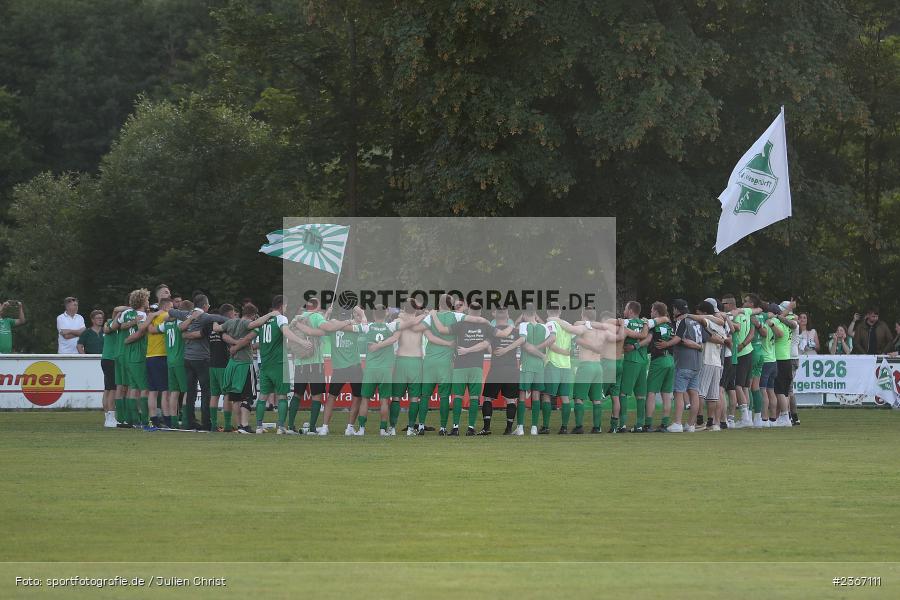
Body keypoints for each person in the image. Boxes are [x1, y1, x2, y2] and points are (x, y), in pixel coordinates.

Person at [246, 296, 310, 435]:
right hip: (279, 363)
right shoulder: (281, 318)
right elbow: (286, 332)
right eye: (286, 306)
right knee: (282, 396)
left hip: (265, 363)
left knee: (262, 396)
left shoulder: (264, 321)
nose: (286, 308)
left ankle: (258, 427)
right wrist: (301, 341)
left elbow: (250, 329)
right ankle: (281, 427)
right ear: (281, 305)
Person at [167, 294, 229, 430]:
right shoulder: (205, 316)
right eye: (208, 305)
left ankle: (188, 422)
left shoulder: (186, 314)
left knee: (190, 391)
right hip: (202, 359)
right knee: (206, 392)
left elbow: (171, 311)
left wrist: (173, 316)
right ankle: (206, 423)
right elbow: (223, 319)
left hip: (187, 358)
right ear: (205, 306)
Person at [447, 302, 492, 436]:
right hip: (477, 366)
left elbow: (447, 334)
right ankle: (471, 428)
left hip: (460, 365)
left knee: (458, 397)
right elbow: (486, 345)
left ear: (468, 311)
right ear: (480, 312)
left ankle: (455, 428)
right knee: (474, 397)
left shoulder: (460, 324)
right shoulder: (486, 326)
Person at [359, 304, 401, 436]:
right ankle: (382, 430)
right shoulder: (391, 327)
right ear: (386, 314)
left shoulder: (367, 328)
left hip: (371, 368)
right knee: (384, 401)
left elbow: (355, 326)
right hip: (385, 369)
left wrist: (362, 314)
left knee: (365, 399)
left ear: (373, 314)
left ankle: (361, 429)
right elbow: (407, 324)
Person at [217, 303, 259, 434]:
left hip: (232, 363)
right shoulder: (249, 324)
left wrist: (232, 344)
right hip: (244, 363)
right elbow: (248, 340)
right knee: (249, 396)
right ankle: (245, 425)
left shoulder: (231, 322)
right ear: (253, 315)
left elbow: (218, 330)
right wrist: (237, 346)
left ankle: (239, 424)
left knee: (235, 397)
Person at [666, 299, 706, 433]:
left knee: (679, 393)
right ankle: (691, 424)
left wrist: (666, 344)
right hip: (697, 362)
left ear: (677, 309)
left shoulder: (682, 321)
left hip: (684, 361)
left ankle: (677, 423)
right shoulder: (697, 321)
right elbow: (704, 339)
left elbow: (678, 338)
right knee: (694, 393)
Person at [480, 306, 520, 435]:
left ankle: (486, 428)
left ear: (495, 316)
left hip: (497, 368)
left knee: (487, 398)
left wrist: (494, 352)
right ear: (508, 316)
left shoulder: (491, 330)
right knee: (511, 399)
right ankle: (508, 429)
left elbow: (488, 346)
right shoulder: (516, 331)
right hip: (512, 367)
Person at [158, 300, 197, 428]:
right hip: (180, 360)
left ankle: (173, 422)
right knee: (186, 391)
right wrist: (192, 318)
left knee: (174, 392)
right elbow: (184, 327)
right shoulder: (180, 321)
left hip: (170, 360)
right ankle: (185, 420)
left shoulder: (167, 323)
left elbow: (154, 329)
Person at [690, 301, 726, 431]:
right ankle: (712, 423)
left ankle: (700, 421)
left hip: (706, 360)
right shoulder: (721, 325)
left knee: (700, 392)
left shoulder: (709, 321)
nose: (697, 314)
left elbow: (704, 323)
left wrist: (687, 315)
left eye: (699, 312)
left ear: (704, 312)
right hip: (717, 362)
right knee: (713, 395)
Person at [618, 301, 650, 433]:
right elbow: (648, 338)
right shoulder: (645, 323)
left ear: (630, 311)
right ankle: (639, 425)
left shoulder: (626, 323)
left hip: (631, 360)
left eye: (625, 309)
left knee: (623, 393)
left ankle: (623, 424)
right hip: (643, 360)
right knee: (641, 395)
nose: (624, 311)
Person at [542, 305, 575, 434]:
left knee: (547, 395)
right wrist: (567, 353)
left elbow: (550, 343)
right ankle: (564, 427)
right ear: (560, 312)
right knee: (565, 397)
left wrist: (563, 352)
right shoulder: (567, 325)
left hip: (553, 363)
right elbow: (573, 342)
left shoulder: (550, 324)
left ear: (547, 311)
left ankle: (545, 426)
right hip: (566, 365)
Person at [646, 302, 676, 432]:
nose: (651, 313)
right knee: (666, 394)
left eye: (652, 311)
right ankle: (664, 424)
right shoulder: (670, 325)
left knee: (651, 393)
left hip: (658, 360)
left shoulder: (655, 325)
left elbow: (647, 339)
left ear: (656, 312)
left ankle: (648, 424)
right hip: (670, 360)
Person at [145, 295, 171, 428]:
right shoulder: (166, 315)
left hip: (149, 355)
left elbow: (148, 329)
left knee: (152, 391)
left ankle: (153, 420)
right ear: (166, 306)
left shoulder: (152, 316)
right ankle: (167, 421)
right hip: (162, 355)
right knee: (165, 391)